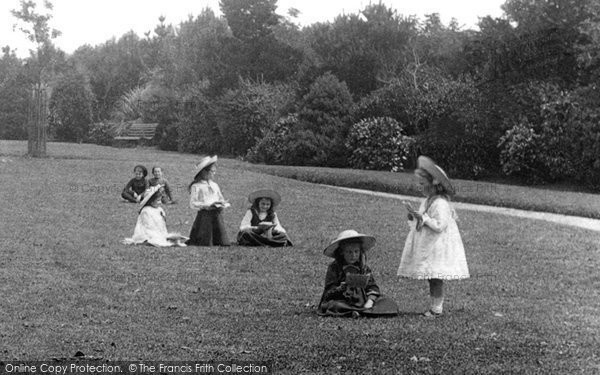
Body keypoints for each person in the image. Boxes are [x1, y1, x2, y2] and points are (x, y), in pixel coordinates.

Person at [397, 156, 470, 317]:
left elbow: (439, 225)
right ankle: (435, 306)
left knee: (436, 277)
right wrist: (415, 216)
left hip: (438, 246)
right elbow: (423, 218)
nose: (419, 187)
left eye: (423, 184)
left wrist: (424, 218)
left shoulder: (440, 204)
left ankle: (437, 308)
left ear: (434, 184)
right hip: (429, 244)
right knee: (432, 277)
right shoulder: (428, 200)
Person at [318, 230, 399, 318]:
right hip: (342, 300)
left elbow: (373, 287)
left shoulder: (364, 268)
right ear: (342, 252)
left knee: (388, 303)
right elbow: (328, 291)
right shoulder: (334, 267)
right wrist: (340, 288)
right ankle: (357, 312)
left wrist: (370, 301)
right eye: (349, 252)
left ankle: (362, 310)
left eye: (356, 252)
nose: (353, 255)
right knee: (334, 305)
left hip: (362, 301)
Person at [186, 155, 230, 246]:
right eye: (212, 171)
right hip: (205, 216)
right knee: (205, 241)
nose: (214, 173)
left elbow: (220, 198)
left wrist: (222, 204)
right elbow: (193, 203)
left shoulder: (215, 185)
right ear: (204, 172)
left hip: (217, 214)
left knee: (222, 241)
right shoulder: (197, 186)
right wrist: (206, 206)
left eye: (214, 171)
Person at [122, 185, 187, 247]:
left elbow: (162, 224)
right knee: (156, 240)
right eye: (157, 200)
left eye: (160, 200)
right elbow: (148, 227)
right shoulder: (146, 211)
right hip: (147, 233)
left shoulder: (159, 209)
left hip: (159, 232)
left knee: (175, 238)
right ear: (151, 201)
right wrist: (157, 235)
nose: (160, 202)